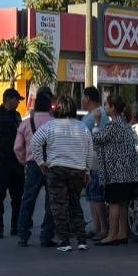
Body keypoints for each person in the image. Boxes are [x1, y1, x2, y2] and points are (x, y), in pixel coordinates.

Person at [31, 95, 93, 252]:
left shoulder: (50, 126)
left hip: (56, 169)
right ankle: (81, 240)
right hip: (77, 170)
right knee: (75, 204)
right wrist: (87, 169)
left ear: (57, 109)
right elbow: (89, 150)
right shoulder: (82, 127)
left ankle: (64, 241)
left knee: (59, 207)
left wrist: (40, 162)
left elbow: (35, 142)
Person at [92, 93, 138, 245]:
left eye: (106, 105)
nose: (104, 107)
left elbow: (96, 138)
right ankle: (122, 234)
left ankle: (112, 235)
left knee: (114, 202)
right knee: (123, 203)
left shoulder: (113, 125)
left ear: (113, 108)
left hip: (116, 172)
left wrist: (96, 123)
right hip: (128, 172)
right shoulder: (126, 125)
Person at [15, 88, 56, 248]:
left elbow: (17, 147)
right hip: (52, 165)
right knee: (51, 201)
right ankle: (46, 236)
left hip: (33, 165)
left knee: (28, 200)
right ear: (48, 106)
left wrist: (24, 161)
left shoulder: (25, 123)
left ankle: (23, 235)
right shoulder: (54, 123)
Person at [0, 88, 23, 239]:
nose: (18, 103)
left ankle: (15, 226)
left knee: (18, 197)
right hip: (2, 160)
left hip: (16, 161)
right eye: (16, 100)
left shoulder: (17, 115)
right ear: (8, 99)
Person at [81, 86, 109, 241]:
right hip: (91, 160)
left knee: (97, 196)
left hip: (96, 160)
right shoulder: (95, 114)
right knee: (92, 196)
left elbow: (89, 137)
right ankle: (97, 227)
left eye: (84, 98)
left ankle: (103, 228)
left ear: (88, 99)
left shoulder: (96, 115)